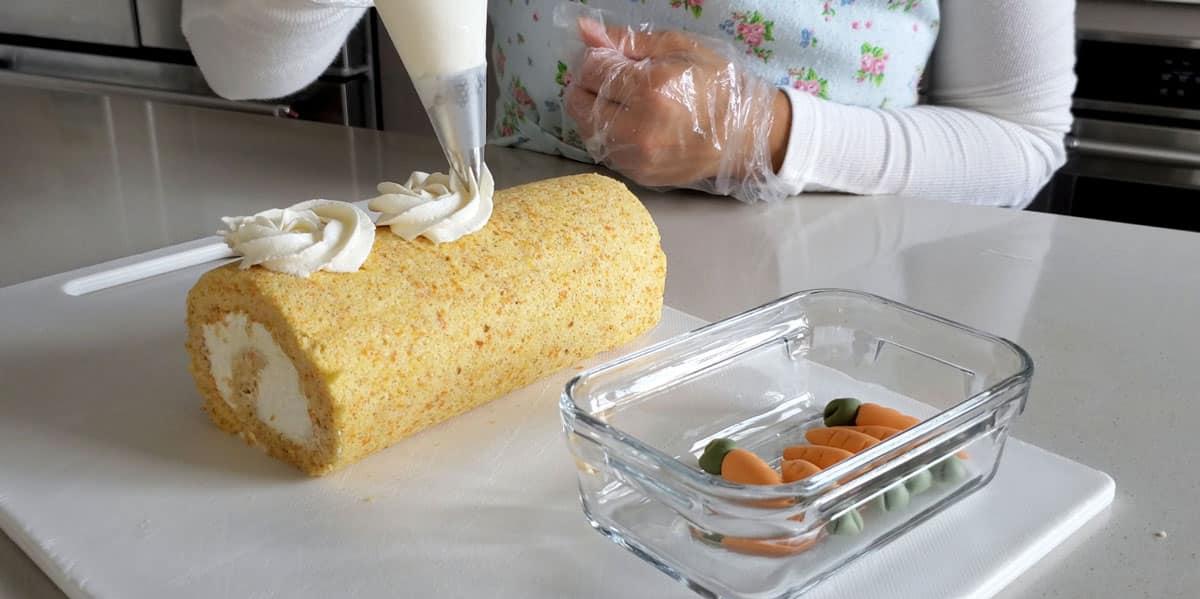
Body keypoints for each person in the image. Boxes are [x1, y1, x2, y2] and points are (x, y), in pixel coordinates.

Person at [182, 0, 1075, 207]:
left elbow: (1022, 142)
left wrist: (766, 132)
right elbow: (241, 63)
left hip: (840, 314)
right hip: (521, 263)